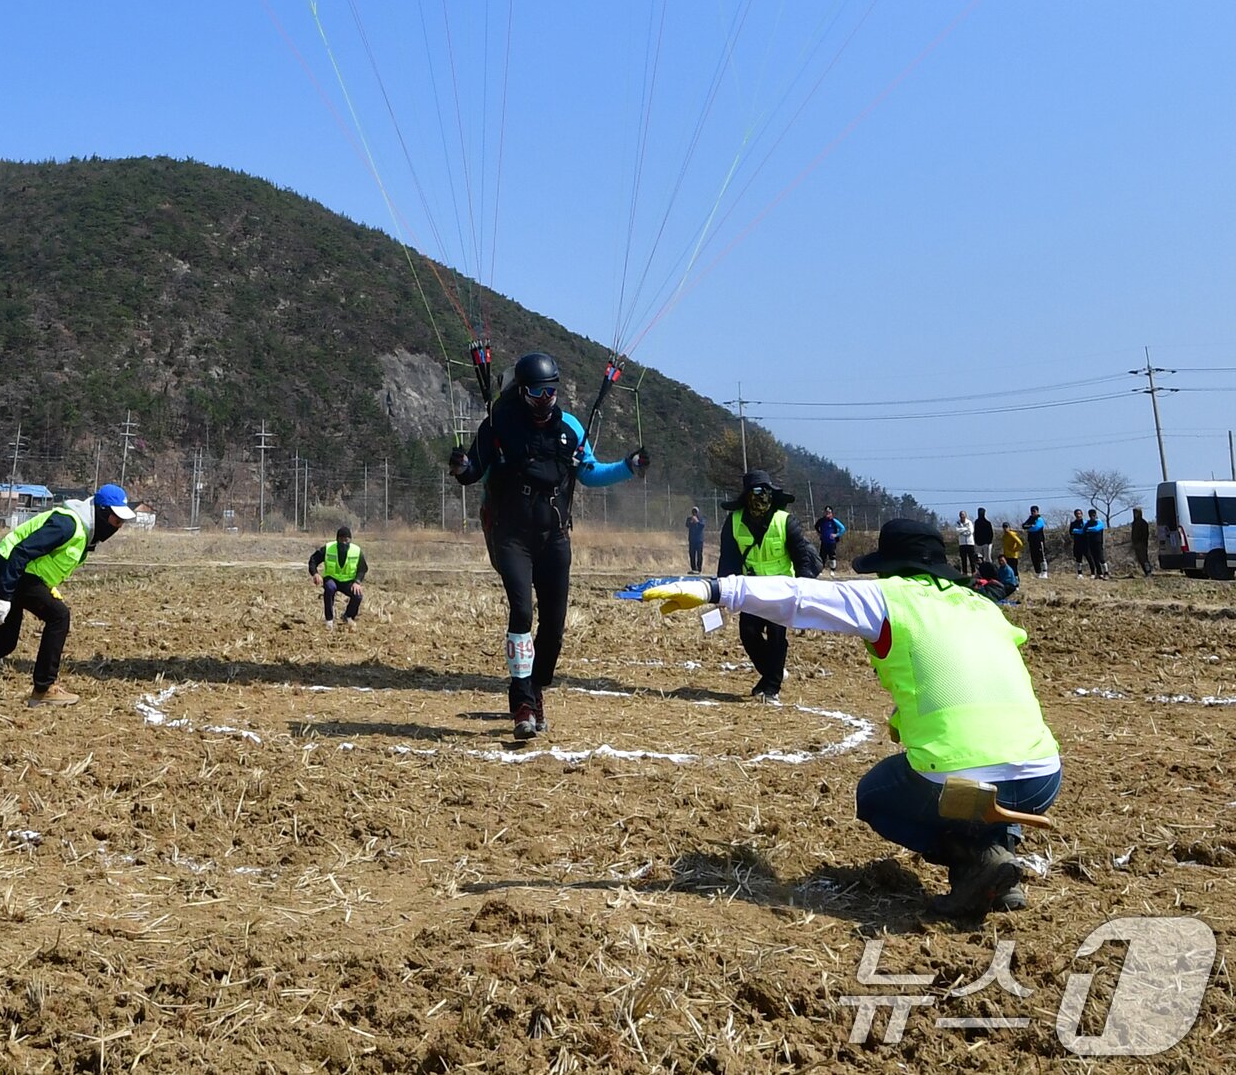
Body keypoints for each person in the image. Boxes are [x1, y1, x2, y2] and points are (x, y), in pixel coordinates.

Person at [645, 518, 1062, 919]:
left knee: (876, 796)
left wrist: (715, 588)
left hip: (954, 776)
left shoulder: (890, 597)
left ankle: (974, 863)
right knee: (989, 785)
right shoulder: (983, 606)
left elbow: (798, 597)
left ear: (889, 568)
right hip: (1041, 776)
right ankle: (998, 858)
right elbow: (970, 673)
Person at [450, 351, 648, 739]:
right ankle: (521, 700)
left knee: (554, 628)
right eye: (539, 392)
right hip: (511, 536)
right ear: (522, 392)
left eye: (552, 391)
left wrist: (628, 466)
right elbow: (475, 470)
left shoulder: (570, 427)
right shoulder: (497, 425)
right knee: (522, 612)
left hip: (554, 535)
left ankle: (537, 688)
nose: (547, 399)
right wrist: (461, 466)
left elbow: (588, 473)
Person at [0, 484, 136, 708]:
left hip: (19, 573)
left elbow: (45, 564)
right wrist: (4, 595)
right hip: (11, 570)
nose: (117, 526)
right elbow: (21, 552)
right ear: (101, 512)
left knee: (3, 644)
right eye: (116, 520)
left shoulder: (83, 531)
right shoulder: (68, 524)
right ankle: (44, 688)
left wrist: (48, 589)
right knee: (59, 616)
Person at [717, 471, 821, 702]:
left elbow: (802, 560)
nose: (760, 497)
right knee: (749, 634)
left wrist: (806, 592)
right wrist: (723, 593)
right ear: (746, 496)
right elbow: (728, 561)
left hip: (782, 590)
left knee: (776, 636)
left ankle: (772, 686)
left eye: (765, 491)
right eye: (755, 492)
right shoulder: (733, 522)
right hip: (751, 590)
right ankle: (772, 673)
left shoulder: (786, 521)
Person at [308, 525, 368, 623]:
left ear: (350, 540)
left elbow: (363, 569)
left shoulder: (356, 551)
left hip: (348, 581)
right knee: (329, 589)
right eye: (341, 539)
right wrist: (315, 574)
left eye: (346, 540)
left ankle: (348, 616)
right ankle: (329, 620)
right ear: (337, 539)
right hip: (331, 578)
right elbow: (313, 560)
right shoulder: (328, 548)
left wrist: (357, 582)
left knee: (358, 595)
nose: (344, 542)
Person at [815, 506, 847, 573]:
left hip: (832, 542)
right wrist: (819, 533)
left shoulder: (834, 521)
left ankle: (832, 570)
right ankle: (821, 570)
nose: (827, 514)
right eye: (826, 512)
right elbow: (816, 526)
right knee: (822, 556)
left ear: (831, 513)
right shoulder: (821, 521)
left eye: (829, 512)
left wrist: (837, 535)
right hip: (824, 541)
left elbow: (842, 528)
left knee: (832, 556)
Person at [1022, 506, 1048, 578]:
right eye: (1032, 511)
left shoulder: (1040, 519)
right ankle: (1038, 572)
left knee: (1041, 556)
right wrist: (1031, 526)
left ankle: (1044, 572)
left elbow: (1036, 528)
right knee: (1034, 557)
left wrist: (1029, 527)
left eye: (1034, 511)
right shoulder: (1030, 519)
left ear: (1037, 511)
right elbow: (1024, 526)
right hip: (1031, 540)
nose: (1033, 512)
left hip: (1039, 540)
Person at [1083, 509, 1108, 579]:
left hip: (1099, 542)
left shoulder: (1099, 522)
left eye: (1093, 515)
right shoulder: (1088, 523)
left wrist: (1089, 529)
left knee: (1101, 558)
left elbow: (1096, 529)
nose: (1092, 517)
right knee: (1095, 559)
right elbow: (1084, 531)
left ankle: (1106, 572)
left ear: (1095, 515)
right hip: (1091, 542)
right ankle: (1099, 573)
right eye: (1091, 515)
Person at [1130, 506, 1154, 577]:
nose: (1135, 514)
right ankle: (1146, 572)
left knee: (1144, 558)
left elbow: (1145, 534)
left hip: (1142, 544)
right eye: (1134, 513)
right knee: (1140, 559)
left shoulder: (1143, 523)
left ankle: (1148, 572)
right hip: (1136, 543)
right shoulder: (1134, 523)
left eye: (1136, 512)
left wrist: (1142, 542)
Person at [955, 510, 977, 578]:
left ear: (966, 516)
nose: (962, 516)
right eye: (961, 515)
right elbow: (957, 531)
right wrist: (965, 529)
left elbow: (970, 531)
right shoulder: (958, 523)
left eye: (963, 515)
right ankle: (965, 573)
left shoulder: (969, 522)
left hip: (970, 543)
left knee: (972, 559)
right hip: (962, 544)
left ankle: (974, 573)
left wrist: (962, 530)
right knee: (963, 559)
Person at [685, 506, 705, 573]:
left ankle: (699, 569)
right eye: (693, 511)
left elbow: (702, 525)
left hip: (699, 540)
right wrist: (691, 521)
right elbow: (687, 525)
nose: (694, 513)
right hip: (692, 540)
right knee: (692, 554)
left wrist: (697, 522)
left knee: (699, 555)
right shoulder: (689, 518)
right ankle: (693, 568)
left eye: (695, 512)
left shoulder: (701, 518)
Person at [1069, 508, 1088, 575]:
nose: (1078, 515)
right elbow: (1071, 532)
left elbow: (1085, 532)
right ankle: (1079, 573)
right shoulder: (1073, 523)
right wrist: (1076, 531)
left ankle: (1093, 573)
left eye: (1079, 514)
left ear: (1082, 514)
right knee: (1078, 559)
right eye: (1077, 514)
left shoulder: (1085, 523)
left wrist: (1077, 531)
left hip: (1085, 543)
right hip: (1077, 543)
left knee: (1089, 558)